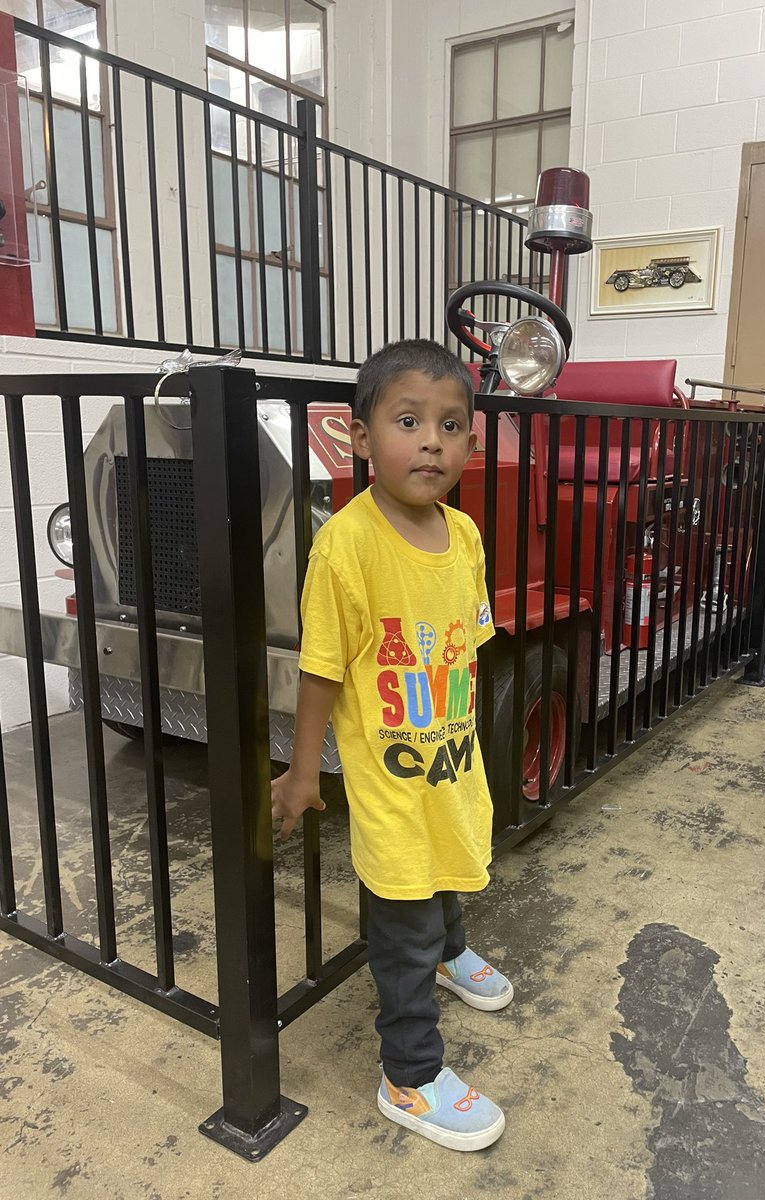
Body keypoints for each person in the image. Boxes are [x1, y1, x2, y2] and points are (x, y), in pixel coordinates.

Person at [271, 338, 512, 1152]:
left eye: (451, 425)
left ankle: (453, 950)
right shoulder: (347, 545)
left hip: (450, 756)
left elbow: (468, 645)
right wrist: (305, 772)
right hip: (387, 779)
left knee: (451, 863)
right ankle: (408, 1077)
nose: (433, 441)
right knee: (400, 921)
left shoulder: (467, 535)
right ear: (361, 437)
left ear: (472, 445)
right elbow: (322, 670)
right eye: (409, 420)